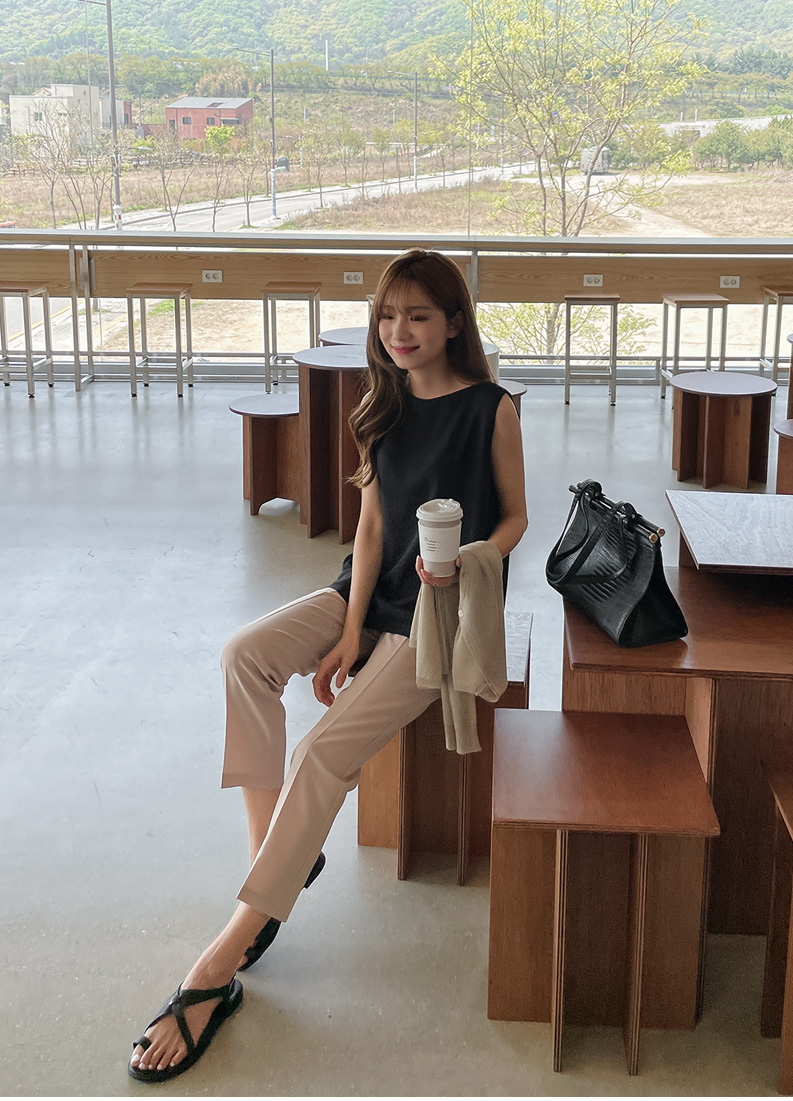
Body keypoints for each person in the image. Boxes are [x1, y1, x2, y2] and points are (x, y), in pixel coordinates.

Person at [128, 248, 528, 1082]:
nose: (399, 330)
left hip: (441, 614)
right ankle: (276, 860)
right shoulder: (380, 407)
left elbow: (517, 517)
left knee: (321, 752)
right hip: (370, 593)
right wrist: (349, 631)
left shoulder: (492, 409)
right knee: (245, 655)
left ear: (454, 322)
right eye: (388, 315)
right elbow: (372, 530)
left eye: (418, 315)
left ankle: (217, 966)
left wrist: (471, 561)